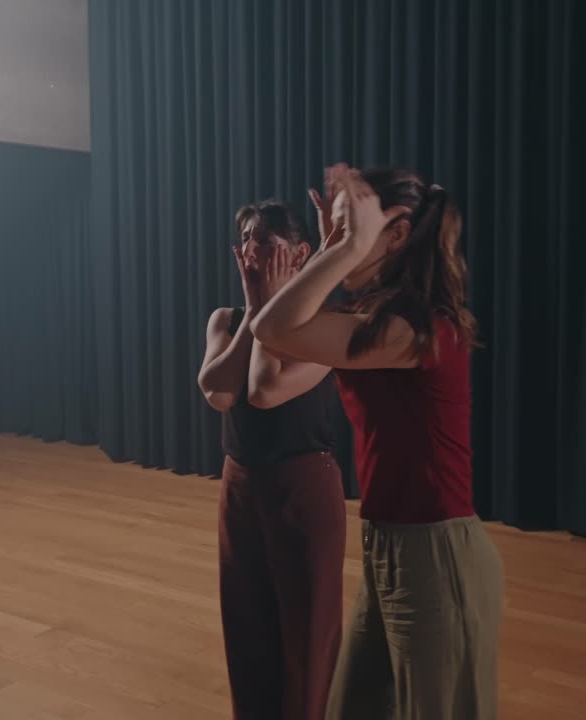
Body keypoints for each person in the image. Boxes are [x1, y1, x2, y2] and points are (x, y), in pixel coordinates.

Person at [252, 166, 504, 719]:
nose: (342, 240)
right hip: (387, 550)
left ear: (395, 234)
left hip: (437, 559)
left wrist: (339, 251)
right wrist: (334, 247)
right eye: (339, 229)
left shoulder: (413, 331)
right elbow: (269, 373)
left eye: (353, 228)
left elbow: (275, 329)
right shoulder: (372, 319)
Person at [196, 199, 346, 720]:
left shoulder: (326, 323)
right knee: (246, 624)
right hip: (239, 486)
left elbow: (265, 390)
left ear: (301, 254)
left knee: (307, 636)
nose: (252, 252)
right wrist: (255, 310)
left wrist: (271, 306)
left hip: (303, 487)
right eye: (246, 239)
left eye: (265, 241)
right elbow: (217, 389)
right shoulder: (226, 319)